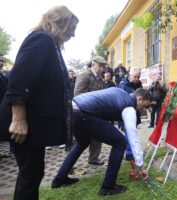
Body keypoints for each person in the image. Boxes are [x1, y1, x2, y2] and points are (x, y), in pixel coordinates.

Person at [0, 6, 79, 200]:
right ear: (61, 22)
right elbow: (19, 81)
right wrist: (18, 120)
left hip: (34, 124)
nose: (74, 34)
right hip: (25, 124)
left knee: (34, 173)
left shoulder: (50, 44)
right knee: (30, 175)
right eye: (72, 28)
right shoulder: (41, 39)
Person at [51, 88, 150, 196]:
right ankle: (108, 187)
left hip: (71, 110)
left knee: (82, 142)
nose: (142, 110)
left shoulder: (121, 93)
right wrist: (141, 166)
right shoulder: (129, 106)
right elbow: (133, 137)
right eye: (145, 106)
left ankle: (59, 179)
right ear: (139, 99)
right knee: (120, 142)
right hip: (82, 112)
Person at [74, 55, 106, 166]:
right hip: (83, 111)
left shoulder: (100, 79)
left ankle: (93, 158)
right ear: (93, 64)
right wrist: (95, 100)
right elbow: (78, 94)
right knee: (81, 141)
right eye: (100, 66)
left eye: (104, 66)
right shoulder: (84, 76)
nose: (103, 68)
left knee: (98, 136)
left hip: (96, 111)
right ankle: (70, 163)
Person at [119, 67, 143, 161]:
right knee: (128, 132)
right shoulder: (123, 85)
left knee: (132, 132)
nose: (137, 78)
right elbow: (121, 101)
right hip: (125, 112)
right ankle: (129, 153)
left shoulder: (139, 84)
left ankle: (130, 151)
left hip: (135, 112)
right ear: (130, 76)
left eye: (138, 76)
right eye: (135, 76)